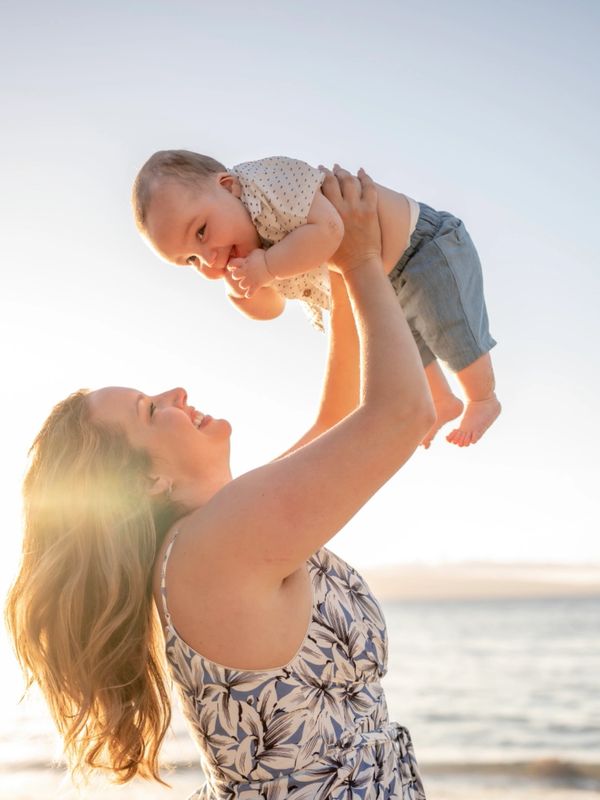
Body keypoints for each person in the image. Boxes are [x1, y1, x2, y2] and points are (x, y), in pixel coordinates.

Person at [6, 167, 434, 799]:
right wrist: (365, 260)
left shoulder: (218, 531)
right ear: (148, 479)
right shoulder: (215, 546)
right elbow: (402, 415)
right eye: (152, 410)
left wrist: (339, 260)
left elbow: (337, 417)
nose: (176, 391)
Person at [132, 151, 501, 449]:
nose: (209, 258)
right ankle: (441, 399)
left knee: (447, 323)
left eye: (201, 231)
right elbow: (273, 307)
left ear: (228, 187)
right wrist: (243, 291)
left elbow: (331, 230)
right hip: (387, 279)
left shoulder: (268, 184)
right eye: (191, 261)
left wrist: (266, 269)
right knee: (407, 343)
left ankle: (483, 397)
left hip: (420, 246)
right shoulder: (254, 247)